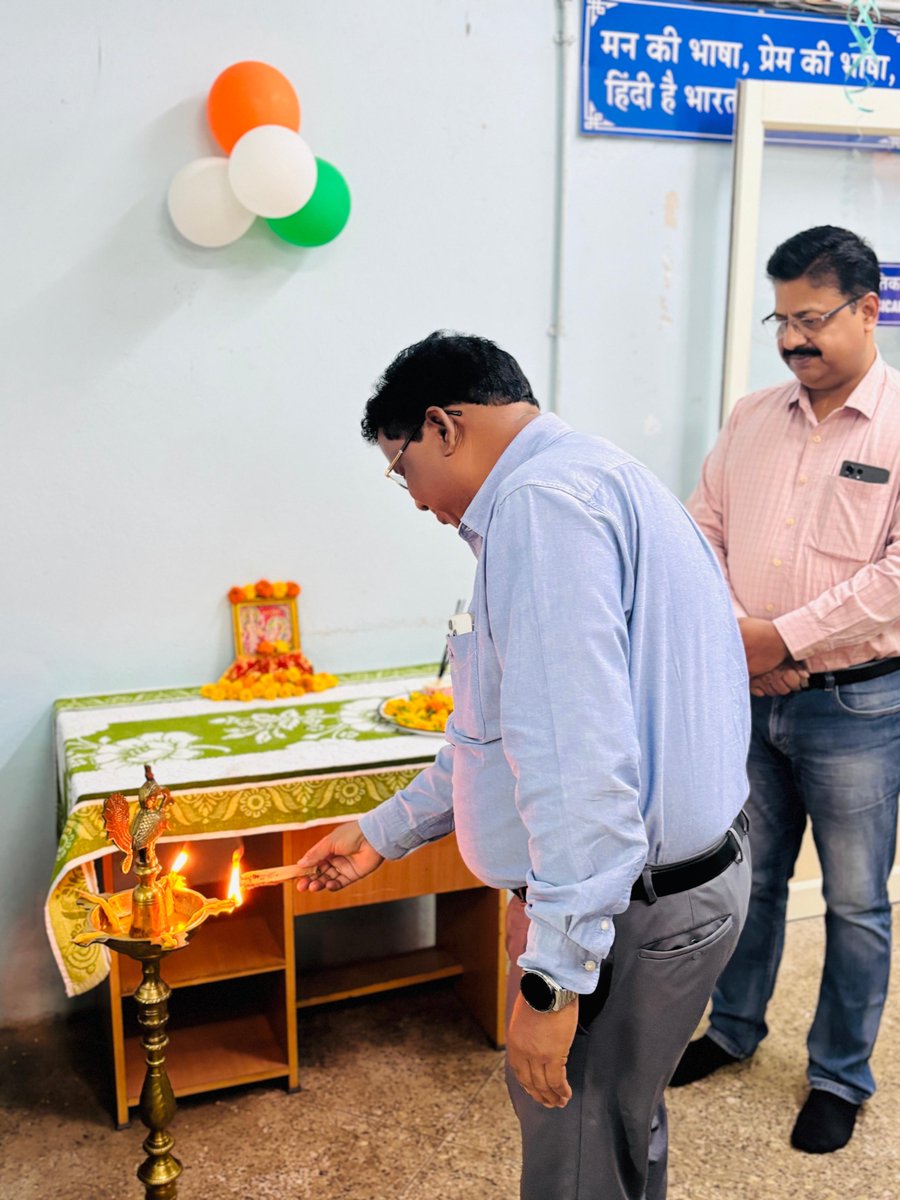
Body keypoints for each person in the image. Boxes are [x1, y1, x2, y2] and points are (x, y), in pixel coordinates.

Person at [296, 331, 751, 1200]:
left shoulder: (539, 509)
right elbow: (508, 735)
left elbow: (580, 770)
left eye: (401, 469)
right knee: (618, 1120)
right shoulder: (595, 473)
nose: (413, 498)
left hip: (631, 909)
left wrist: (553, 980)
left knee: (575, 1142)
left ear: (441, 426)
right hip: (680, 882)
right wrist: (381, 831)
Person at [672, 225, 900, 1156]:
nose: (793, 339)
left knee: (853, 901)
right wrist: (739, 639)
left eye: (812, 318)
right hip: (747, 694)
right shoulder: (751, 417)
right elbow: (702, 529)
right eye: (782, 319)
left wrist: (786, 637)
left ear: (868, 309)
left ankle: (840, 1075)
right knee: (749, 881)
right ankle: (733, 1029)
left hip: (857, 706)